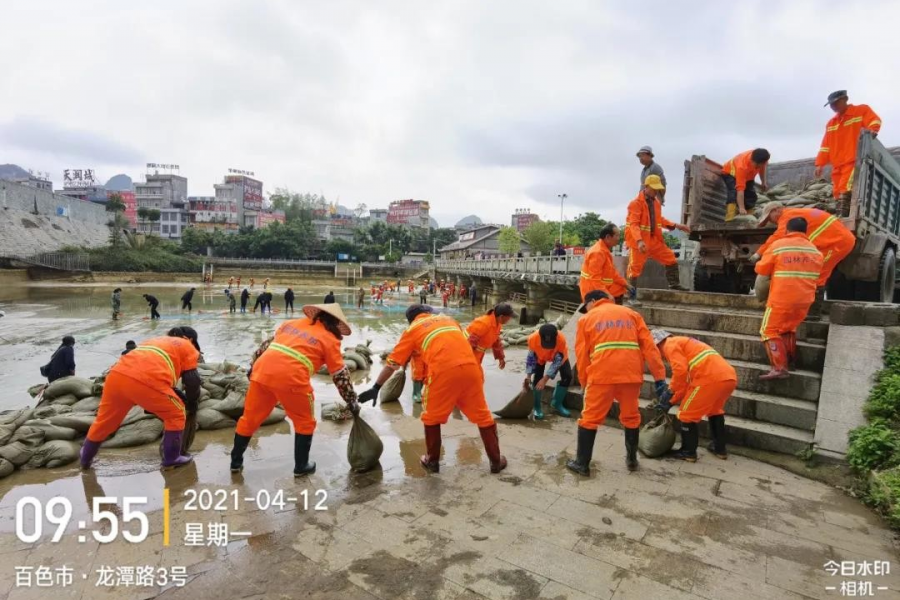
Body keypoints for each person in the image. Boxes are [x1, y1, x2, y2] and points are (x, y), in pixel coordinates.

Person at [358, 305, 506, 474]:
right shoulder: (449, 320)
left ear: (411, 320)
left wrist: (376, 387)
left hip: (442, 374)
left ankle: (432, 461)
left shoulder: (412, 330)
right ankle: (496, 462)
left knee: (432, 418)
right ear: (427, 313)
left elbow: (392, 364)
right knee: (483, 417)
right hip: (471, 369)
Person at [230, 304, 360, 476]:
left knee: (249, 418)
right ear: (335, 323)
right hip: (292, 379)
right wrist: (351, 400)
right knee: (304, 421)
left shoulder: (290, 324)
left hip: (261, 373)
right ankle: (301, 465)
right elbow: (340, 375)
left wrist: (252, 369)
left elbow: (264, 347)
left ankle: (235, 462)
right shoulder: (330, 339)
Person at [567, 290, 667, 476]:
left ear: (593, 301)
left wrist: (583, 382)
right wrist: (659, 377)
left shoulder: (587, 319)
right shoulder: (632, 315)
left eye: (585, 306)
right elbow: (650, 348)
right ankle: (631, 460)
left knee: (590, 418)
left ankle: (582, 463)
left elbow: (582, 355)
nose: (585, 310)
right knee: (631, 416)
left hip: (601, 375)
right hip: (630, 375)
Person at [80, 327, 203, 470]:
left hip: (116, 377)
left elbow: (158, 373)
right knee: (176, 413)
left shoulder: (154, 341)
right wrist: (192, 402)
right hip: (146, 380)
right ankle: (172, 458)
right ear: (191, 340)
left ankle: (86, 458)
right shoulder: (187, 345)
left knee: (104, 422)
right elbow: (192, 380)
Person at [752, 202, 855, 318]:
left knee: (817, 274)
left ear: (776, 210)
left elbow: (778, 237)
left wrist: (758, 253)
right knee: (814, 272)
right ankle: (807, 308)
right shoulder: (795, 213)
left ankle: (813, 312)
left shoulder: (787, 216)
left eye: (768, 218)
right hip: (832, 241)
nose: (771, 222)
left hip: (836, 242)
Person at [753, 217, 823, 380]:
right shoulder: (815, 251)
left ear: (787, 230)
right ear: (806, 231)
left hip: (781, 298)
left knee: (768, 330)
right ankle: (790, 362)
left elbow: (762, 268)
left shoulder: (778, 246)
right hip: (804, 300)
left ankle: (779, 367)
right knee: (788, 329)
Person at [652, 330, 737, 462]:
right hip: (728, 377)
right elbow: (685, 383)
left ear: (656, 345)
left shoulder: (669, 344)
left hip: (708, 379)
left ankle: (688, 452)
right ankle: (719, 449)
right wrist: (670, 401)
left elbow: (680, 372)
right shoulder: (684, 344)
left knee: (686, 414)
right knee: (714, 411)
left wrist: (669, 392)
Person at [815, 90, 882, 216]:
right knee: (836, 191)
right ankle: (841, 212)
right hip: (837, 164)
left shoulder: (861, 110)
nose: (833, 107)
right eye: (831, 105)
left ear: (845, 99)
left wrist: (873, 130)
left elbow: (874, 120)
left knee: (845, 187)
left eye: (835, 103)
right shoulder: (831, 123)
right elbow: (825, 146)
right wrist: (820, 164)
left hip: (853, 160)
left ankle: (845, 214)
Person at [625, 175, 690, 295]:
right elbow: (633, 224)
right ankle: (631, 296)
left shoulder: (656, 203)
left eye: (657, 189)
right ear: (646, 187)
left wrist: (676, 225)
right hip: (639, 242)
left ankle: (674, 285)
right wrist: (639, 241)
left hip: (653, 240)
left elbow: (659, 220)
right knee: (634, 269)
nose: (656, 191)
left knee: (670, 258)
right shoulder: (635, 203)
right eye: (654, 189)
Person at [524, 324, 573, 419]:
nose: (548, 347)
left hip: (557, 356)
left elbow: (557, 362)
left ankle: (557, 404)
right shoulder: (532, 339)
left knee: (567, 376)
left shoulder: (561, 339)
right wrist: (528, 376)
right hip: (540, 357)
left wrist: (545, 379)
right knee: (537, 379)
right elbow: (531, 358)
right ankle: (537, 407)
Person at [580, 223, 633, 305]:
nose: (618, 238)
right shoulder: (598, 253)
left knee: (621, 288)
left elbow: (613, 273)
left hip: (601, 286)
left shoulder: (604, 250)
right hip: (591, 290)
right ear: (608, 237)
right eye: (617, 236)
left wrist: (626, 284)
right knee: (614, 296)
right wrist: (607, 294)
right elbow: (595, 280)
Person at [722, 148, 771, 221]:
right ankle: (730, 218)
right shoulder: (742, 167)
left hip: (748, 176)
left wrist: (763, 182)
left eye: (760, 165)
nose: (758, 167)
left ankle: (749, 216)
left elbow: (762, 169)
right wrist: (741, 208)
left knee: (751, 194)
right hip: (731, 173)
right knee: (733, 192)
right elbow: (740, 190)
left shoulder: (762, 160)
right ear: (752, 160)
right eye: (755, 165)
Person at [466, 304, 515, 370]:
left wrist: (501, 357)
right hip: (468, 353)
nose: (510, 319)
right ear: (501, 317)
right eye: (509, 317)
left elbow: (496, 342)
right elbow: (470, 343)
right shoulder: (484, 323)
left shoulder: (497, 325)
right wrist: (467, 362)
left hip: (478, 354)